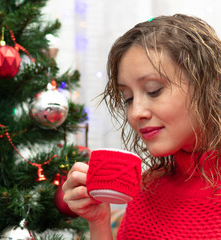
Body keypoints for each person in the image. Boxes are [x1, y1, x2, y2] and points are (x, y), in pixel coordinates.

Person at [62, 14, 221, 239]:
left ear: (208, 84)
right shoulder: (148, 189)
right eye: (127, 98)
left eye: (153, 90)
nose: (136, 112)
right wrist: (98, 221)